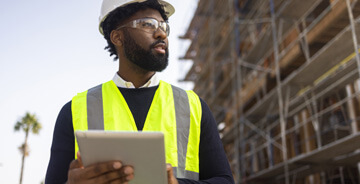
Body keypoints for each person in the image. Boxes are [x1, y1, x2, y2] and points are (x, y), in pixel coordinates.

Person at [45, 0, 235, 183]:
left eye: (164, 26)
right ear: (117, 37)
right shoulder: (75, 111)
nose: (161, 33)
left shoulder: (194, 106)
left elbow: (225, 181)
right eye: (148, 24)